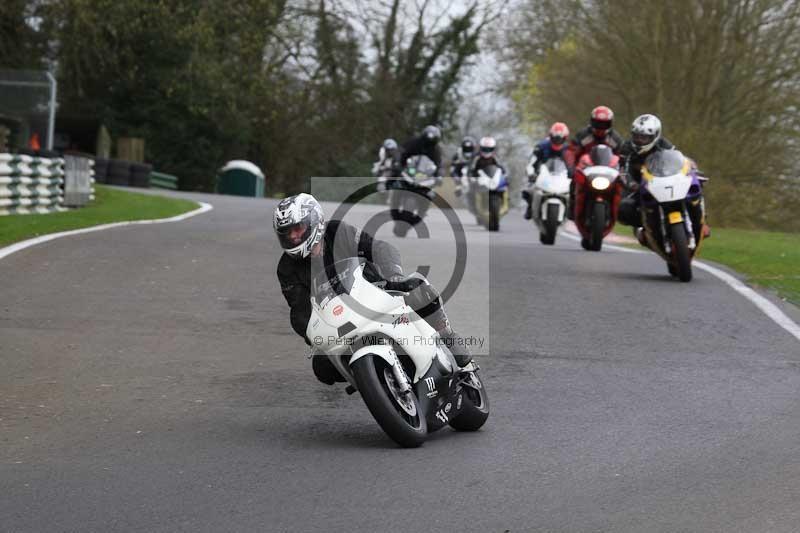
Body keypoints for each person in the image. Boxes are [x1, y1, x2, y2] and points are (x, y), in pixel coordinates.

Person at [274, 193, 472, 384]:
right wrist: (316, 336)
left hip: (377, 294)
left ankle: (447, 336)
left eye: (297, 229)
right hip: (341, 322)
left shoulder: (337, 231)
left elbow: (379, 248)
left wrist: (393, 276)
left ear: (314, 221)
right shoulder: (286, 269)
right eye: (287, 233)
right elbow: (300, 310)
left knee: (417, 287)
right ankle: (371, 378)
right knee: (322, 367)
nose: (293, 237)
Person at [617, 114, 709, 244]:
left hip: (660, 180)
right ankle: (642, 229)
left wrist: (692, 170)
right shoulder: (626, 148)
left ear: (655, 136)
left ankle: (702, 222)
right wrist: (632, 185)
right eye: (636, 136)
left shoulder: (664, 144)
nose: (639, 140)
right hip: (638, 184)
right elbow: (622, 171)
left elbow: (680, 159)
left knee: (694, 188)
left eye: (644, 137)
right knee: (623, 208)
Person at [564, 106, 624, 219]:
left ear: (610, 124)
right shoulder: (584, 135)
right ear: (592, 122)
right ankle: (572, 207)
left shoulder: (615, 138)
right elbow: (571, 151)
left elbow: (623, 155)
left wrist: (623, 170)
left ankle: (618, 211)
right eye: (597, 123)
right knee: (574, 183)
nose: (600, 127)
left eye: (604, 124)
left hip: (608, 173)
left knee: (620, 188)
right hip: (586, 171)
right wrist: (571, 167)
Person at [522, 122, 570, 220]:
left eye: (560, 139)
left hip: (562, 176)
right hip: (542, 175)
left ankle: (571, 212)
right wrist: (531, 174)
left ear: (565, 138)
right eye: (555, 138)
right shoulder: (541, 146)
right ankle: (530, 207)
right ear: (550, 136)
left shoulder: (569, 149)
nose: (557, 141)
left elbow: (573, 164)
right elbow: (532, 162)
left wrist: (573, 174)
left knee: (575, 192)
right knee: (528, 190)